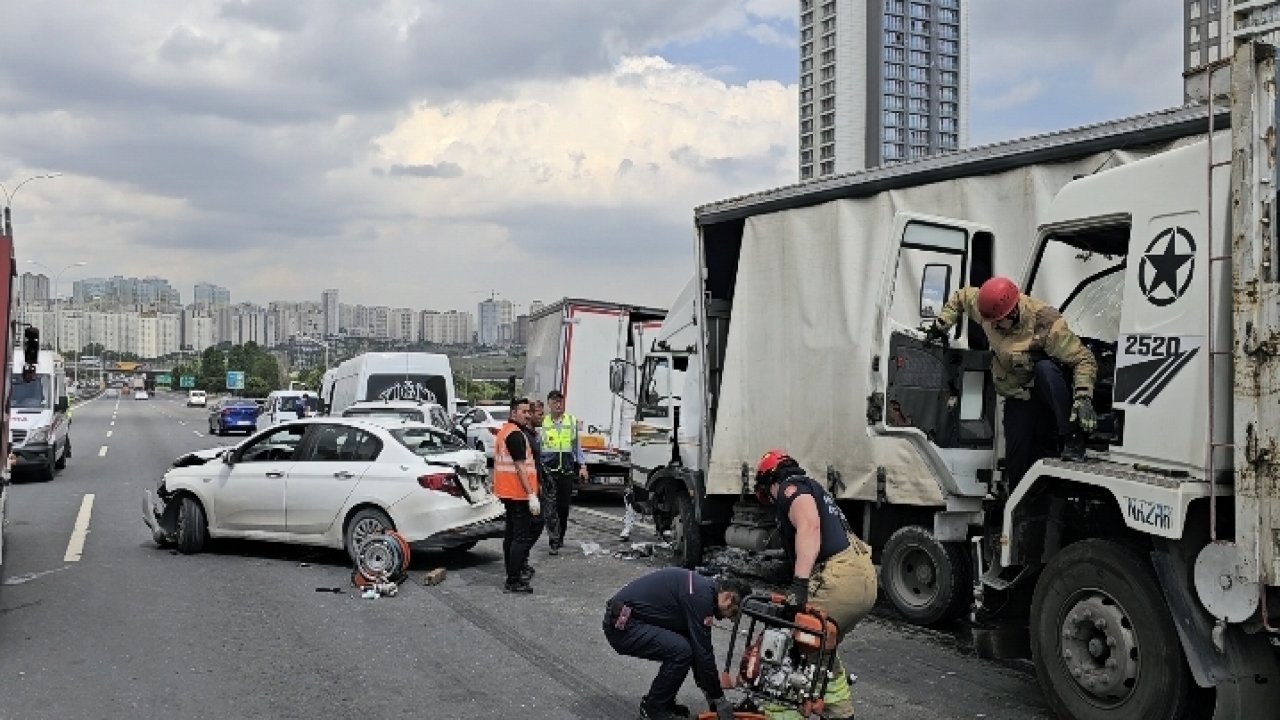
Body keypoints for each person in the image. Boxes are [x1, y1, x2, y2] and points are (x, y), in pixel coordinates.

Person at [925, 275, 1098, 484]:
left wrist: (1083, 397)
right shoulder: (988, 310)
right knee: (1016, 460)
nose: (994, 326)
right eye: (991, 322)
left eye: (999, 322)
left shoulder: (1045, 322)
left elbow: (1083, 358)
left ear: (1013, 311)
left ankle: (1072, 437)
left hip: (1045, 392)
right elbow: (961, 297)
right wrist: (940, 325)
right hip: (1017, 392)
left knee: (1046, 370)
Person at [753, 450, 876, 720]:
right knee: (818, 646)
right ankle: (840, 712)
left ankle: (778, 715)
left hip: (839, 576)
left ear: (768, 481)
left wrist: (799, 586)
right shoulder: (815, 489)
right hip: (862, 580)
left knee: (785, 643)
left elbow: (809, 526)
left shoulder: (788, 487)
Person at [604, 567, 751, 720]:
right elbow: (703, 652)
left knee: (686, 646)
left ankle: (662, 703)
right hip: (622, 627)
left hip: (630, 621)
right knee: (681, 651)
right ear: (728, 598)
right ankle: (654, 709)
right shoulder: (701, 597)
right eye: (734, 613)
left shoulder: (703, 590)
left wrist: (712, 697)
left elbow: (699, 651)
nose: (732, 619)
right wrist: (719, 699)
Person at [492, 397, 542, 594]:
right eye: (523, 411)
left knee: (511, 535)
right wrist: (531, 494)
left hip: (507, 491)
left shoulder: (505, 431)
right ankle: (513, 579)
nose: (527, 415)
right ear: (513, 413)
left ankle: (513, 574)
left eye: (528, 412)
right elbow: (521, 467)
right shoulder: (515, 435)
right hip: (518, 493)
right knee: (519, 538)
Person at [539, 390, 588, 553]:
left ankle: (560, 536)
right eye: (554, 402)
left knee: (563, 508)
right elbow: (538, 447)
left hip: (566, 470)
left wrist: (582, 466)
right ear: (549, 404)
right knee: (549, 507)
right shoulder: (543, 423)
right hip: (549, 470)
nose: (558, 405)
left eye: (560, 402)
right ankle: (554, 539)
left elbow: (576, 446)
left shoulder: (571, 421)